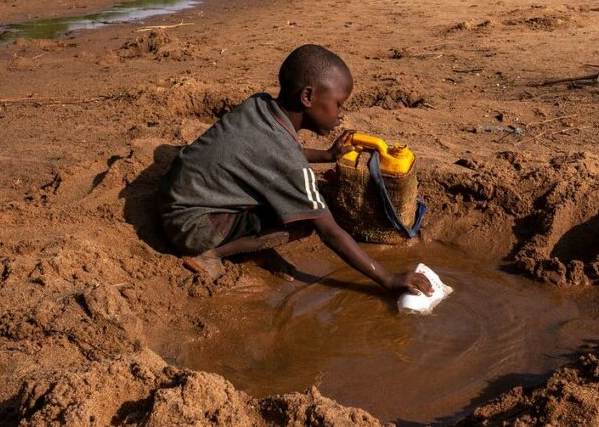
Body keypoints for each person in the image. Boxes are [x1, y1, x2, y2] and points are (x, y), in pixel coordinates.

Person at [158, 44, 433, 297]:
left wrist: (326, 156)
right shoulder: (286, 158)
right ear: (307, 96)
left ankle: (249, 246)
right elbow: (329, 232)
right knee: (304, 220)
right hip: (191, 227)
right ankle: (213, 252)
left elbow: (268, 155)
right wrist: (388, 278)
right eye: (338, 104)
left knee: (289, 196)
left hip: (177, 199)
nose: (341, 114)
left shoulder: (260, 105)